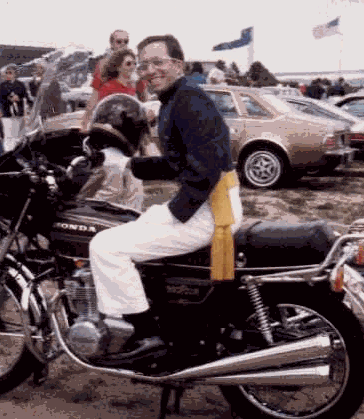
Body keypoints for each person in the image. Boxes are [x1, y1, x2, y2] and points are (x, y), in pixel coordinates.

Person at [88, 34, 243, 355]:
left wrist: (175, 212)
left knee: (105, 246)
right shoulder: (178, 97)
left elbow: (206, 169)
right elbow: (182, 163)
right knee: (139, 220)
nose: (150, 70)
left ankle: (145, 335)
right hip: (212, 204)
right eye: (144, 65)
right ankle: (154, 309)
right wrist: (132, 165)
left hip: (209, 210)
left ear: (178, 64)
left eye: (158, 63)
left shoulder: (188, 101)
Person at [77, 94, 145, 212]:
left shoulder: (110, 161)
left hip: (107, 220)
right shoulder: (129, 163)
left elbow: (97, 200)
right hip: (129, 217)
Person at [81, 30, 148, 132]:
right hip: (109, 118)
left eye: (126, 42)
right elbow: (94, 97)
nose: (122, 44)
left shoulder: (134, 66)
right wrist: (85, 124)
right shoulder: (102, 64)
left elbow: (143, 98)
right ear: (111, 44)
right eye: (119, 41)